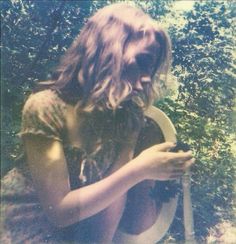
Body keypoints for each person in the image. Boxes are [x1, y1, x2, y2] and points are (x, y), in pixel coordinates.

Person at [1, 3, 195, 243]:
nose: (147, 78)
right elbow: (59, 212)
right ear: (107, 51)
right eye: (143, 61)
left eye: (153, 68)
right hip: (19, 227)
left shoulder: (127, 117)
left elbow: (112, 205)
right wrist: (141, 169)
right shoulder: (45, 107)